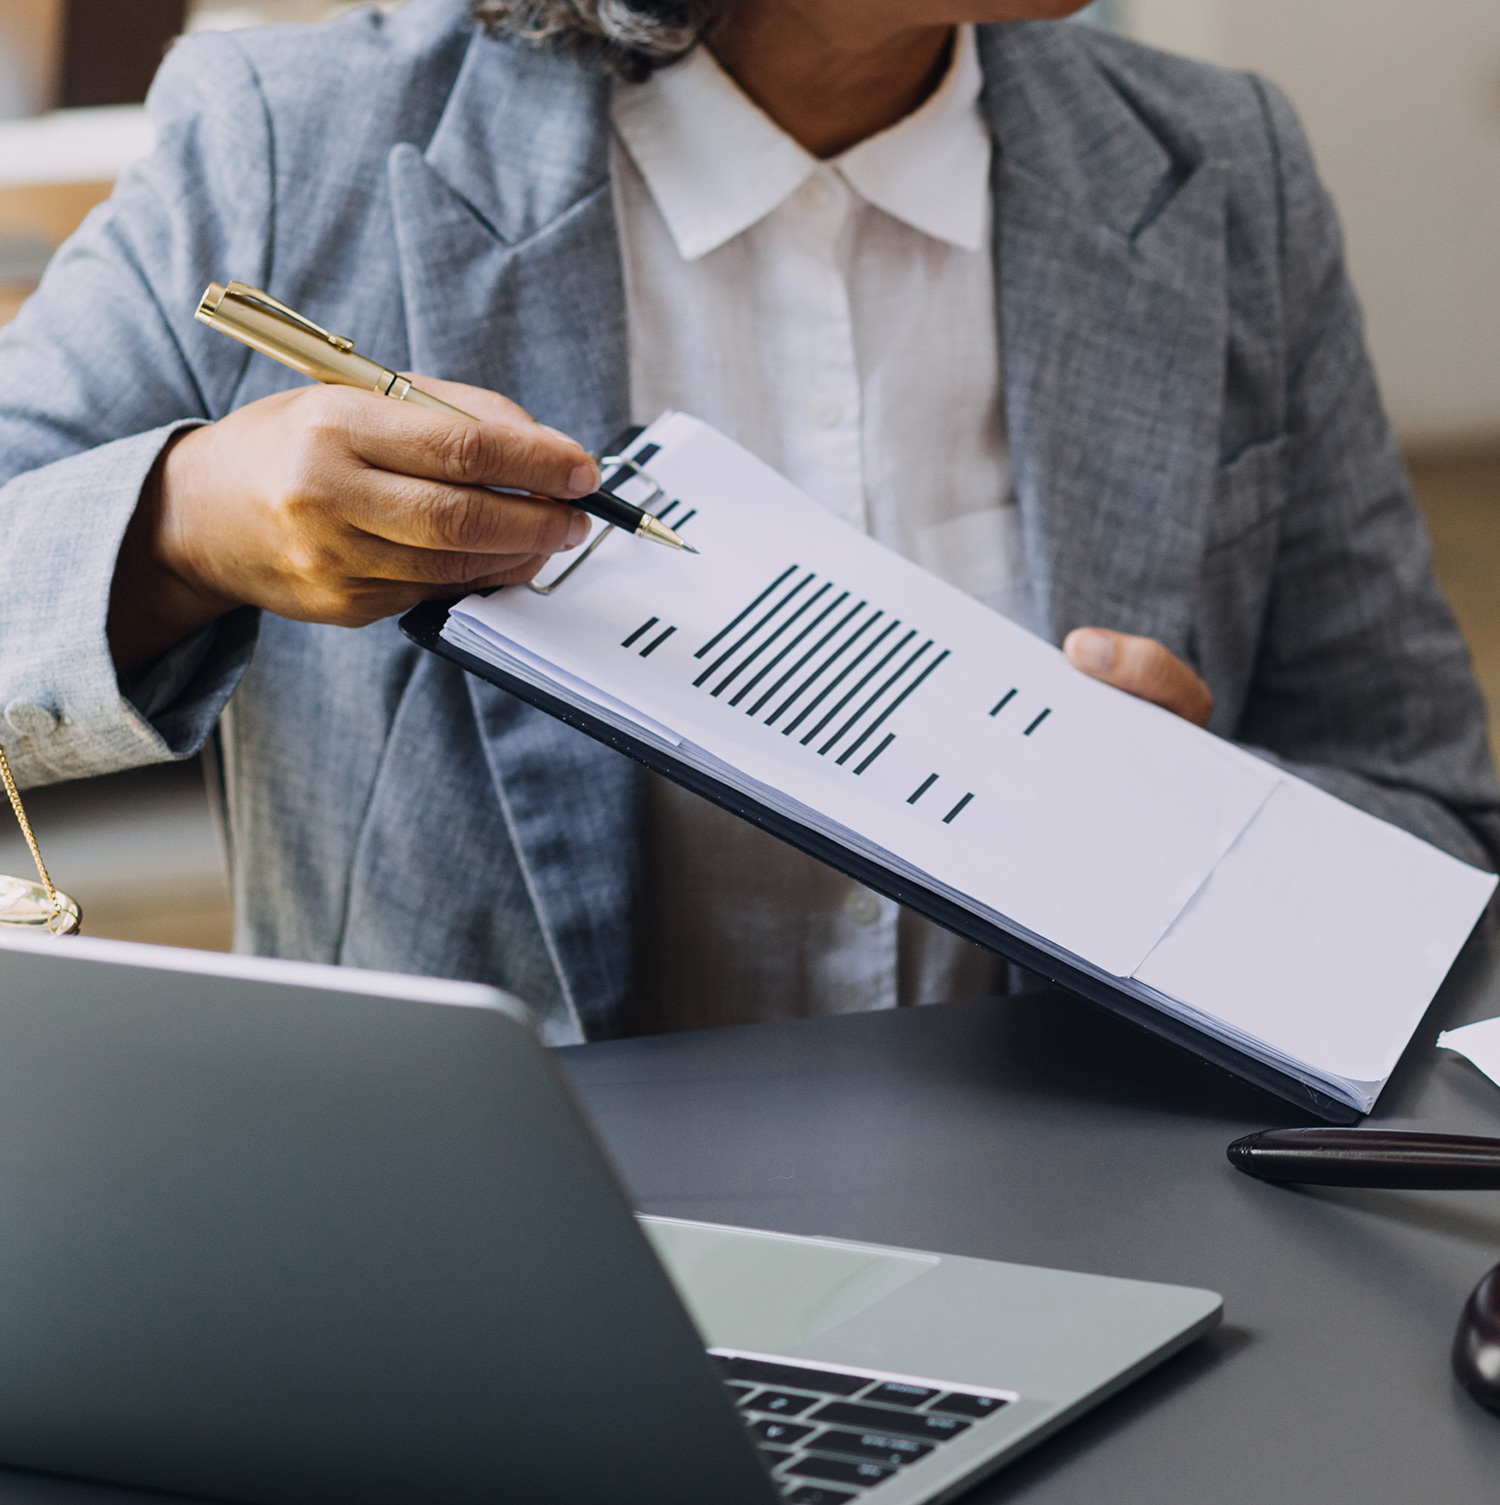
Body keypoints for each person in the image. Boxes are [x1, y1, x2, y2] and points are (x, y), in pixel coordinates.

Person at [0, 0, 1495, 1042]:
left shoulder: (1225, 168)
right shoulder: (293, 143)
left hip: (1103, 1239)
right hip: (497, 1268)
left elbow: (1435, 815)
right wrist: (184, 519)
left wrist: (1205, 832)